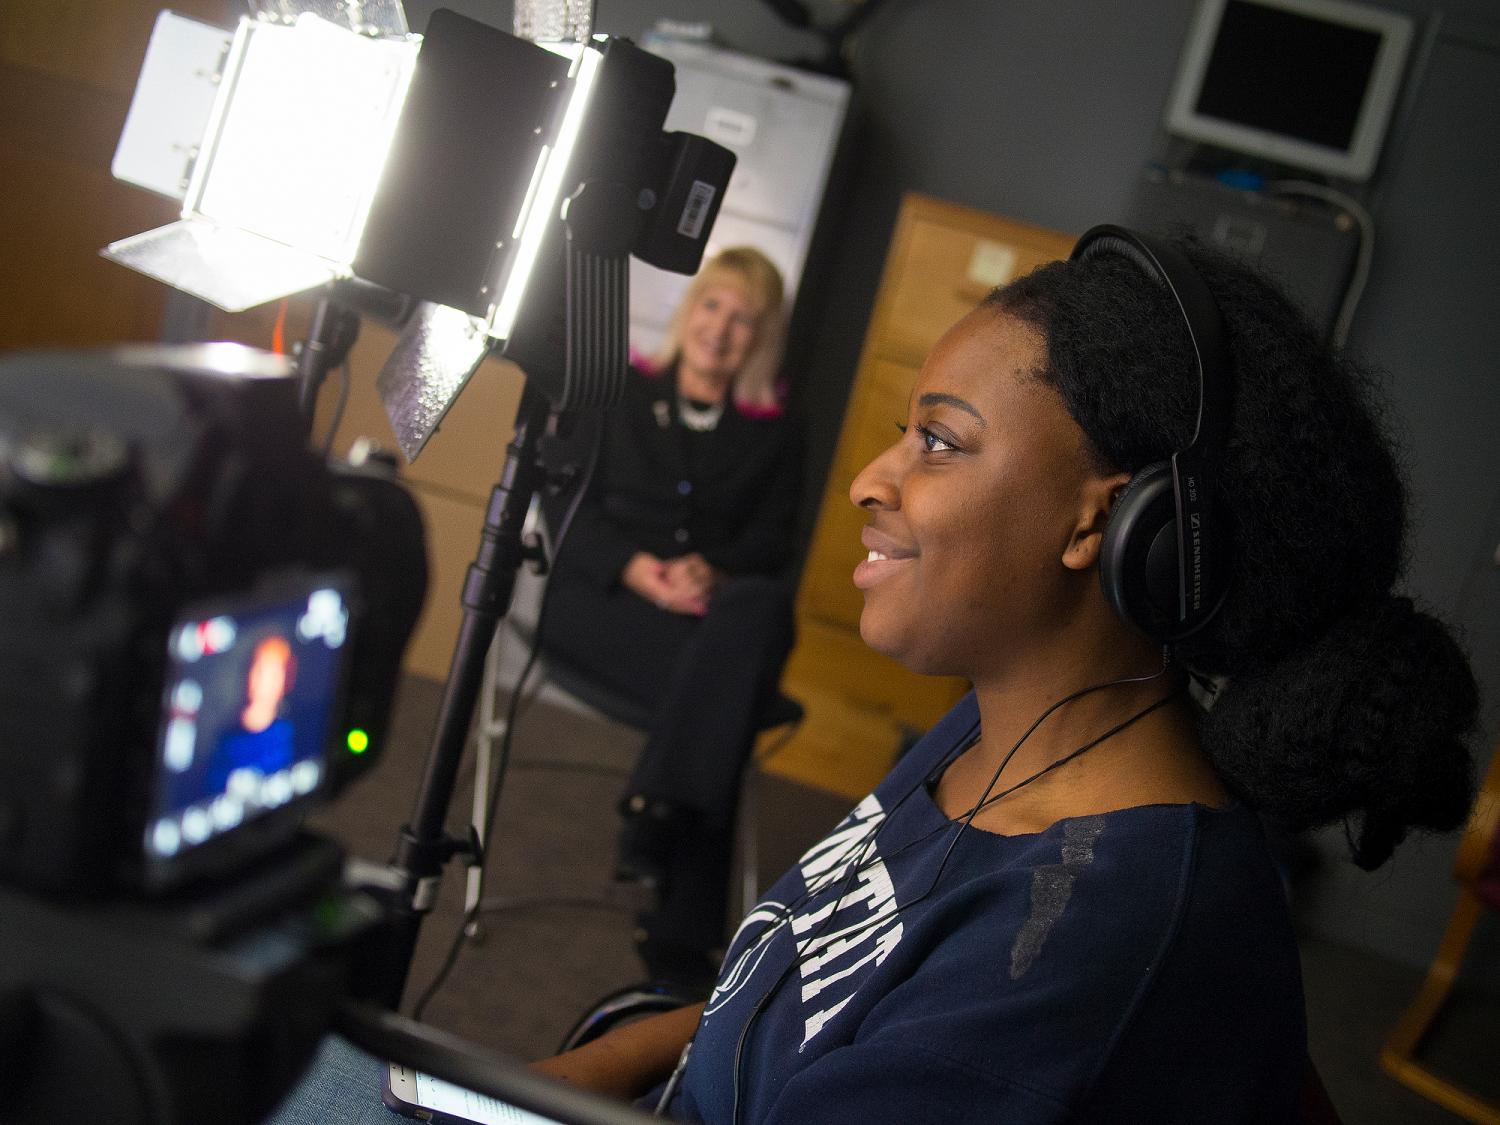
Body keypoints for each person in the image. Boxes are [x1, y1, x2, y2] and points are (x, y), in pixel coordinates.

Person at [528, 226, 1480, 1121]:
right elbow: (794, 981)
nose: (868, 480)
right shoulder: (1000, 730)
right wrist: (573, 1070)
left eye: (938, 443)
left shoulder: (1084, 938)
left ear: (1102, 522)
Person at [537, 246, 803, 989]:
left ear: (761, 338)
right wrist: (638, 570)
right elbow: (563, 511)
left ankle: (659, 813)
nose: (720, 329)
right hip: (604, 610)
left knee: (757, 606)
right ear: (691, 309)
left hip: (702, 626)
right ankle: (679, 935)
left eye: (743, 319)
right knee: (729, 700)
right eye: (712, 305)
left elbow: (773, 543)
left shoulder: (778, 429)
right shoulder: (618, 389)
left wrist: (712, 570)